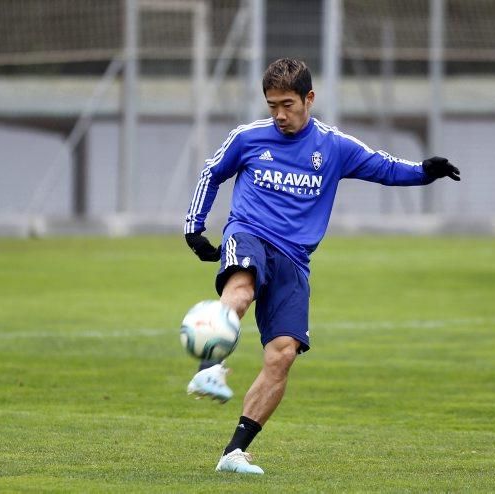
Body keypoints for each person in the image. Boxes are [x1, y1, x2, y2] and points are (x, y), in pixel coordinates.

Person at [183, 58, 460, 475]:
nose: (279, 114)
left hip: (295, 258)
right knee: (241, 288)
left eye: (288, 104)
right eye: (272, 104)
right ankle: (209, 368)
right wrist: (194, 229)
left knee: (283, 354)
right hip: (250, 233)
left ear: (309, 99)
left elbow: (383, 167)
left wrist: (424, 172)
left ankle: (233, 452)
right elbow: (211, 173)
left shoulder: (333, 147)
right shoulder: (248, 137)